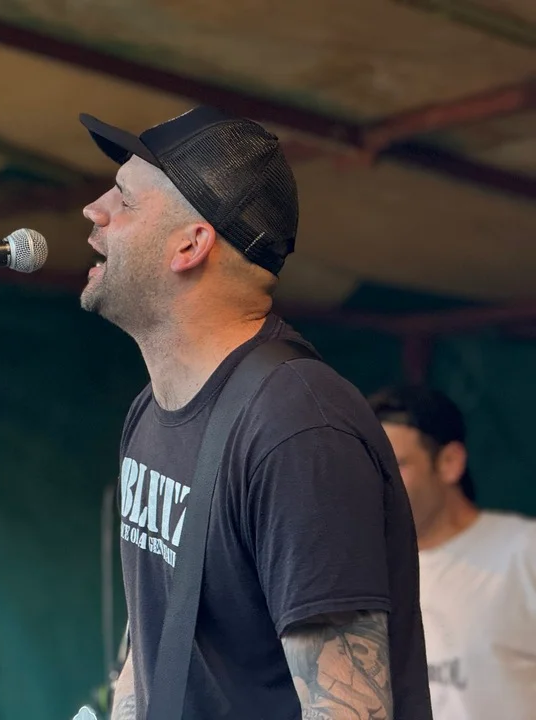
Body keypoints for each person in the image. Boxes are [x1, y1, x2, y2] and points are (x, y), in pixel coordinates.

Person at [76, 105, 433, 719]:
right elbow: (153, 642)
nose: (94, 209)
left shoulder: (297, 427)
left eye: (125, 199)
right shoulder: (152, 410)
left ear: (191, 244)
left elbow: (348, 709)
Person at [369, 384, 536, 719]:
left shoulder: (523, 550)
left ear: (449, 462)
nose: (377, 484)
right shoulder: (366, 571)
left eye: (395, 466)